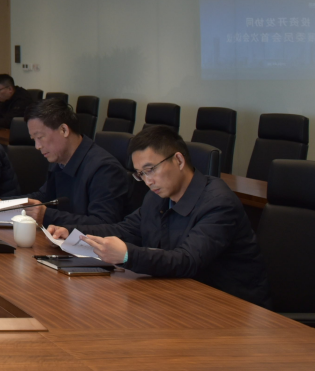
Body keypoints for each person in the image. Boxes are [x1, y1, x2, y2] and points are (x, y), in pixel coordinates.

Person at [52, 126, 272, 307]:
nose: (148, 181)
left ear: (179, 160)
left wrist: (127, 255)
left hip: (231, 308)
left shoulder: (218, 203)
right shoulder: (157, 197)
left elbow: (187, 261)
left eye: (151, 170)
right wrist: (74, 233)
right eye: (141, 174)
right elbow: (126, 229)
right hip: (183, 297)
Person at [0, 98, 130, 227]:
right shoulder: (59, 158)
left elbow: (104, 224)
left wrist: (47, 216)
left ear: (64, 130)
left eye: (40, 137)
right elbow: (44, 196)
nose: (37, 146)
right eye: (34, 139)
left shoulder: (104, 169)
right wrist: (1, 204)